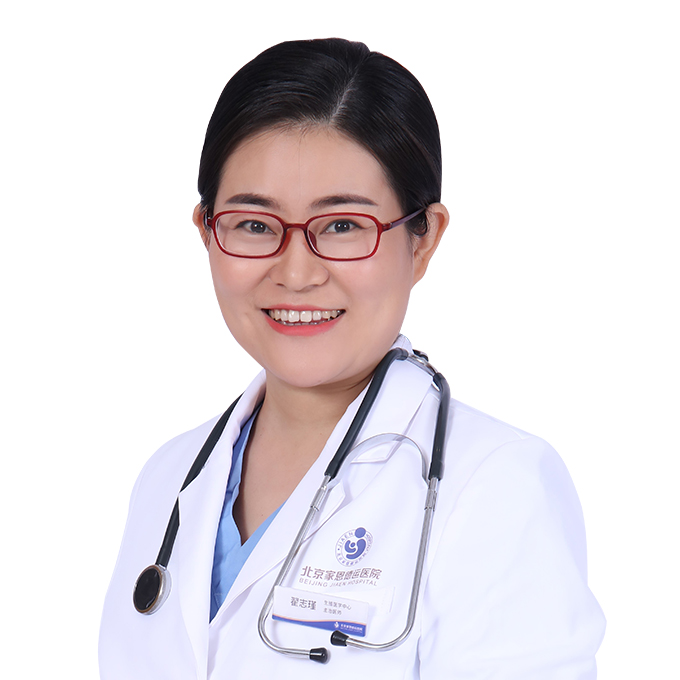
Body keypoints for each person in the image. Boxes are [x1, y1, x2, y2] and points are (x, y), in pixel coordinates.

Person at [99, 38, 605, 678]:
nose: (296, 273)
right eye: (254, 225)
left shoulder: (496, 486)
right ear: (206, 231)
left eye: (342, 226)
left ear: (423, 240)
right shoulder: (169, 479)